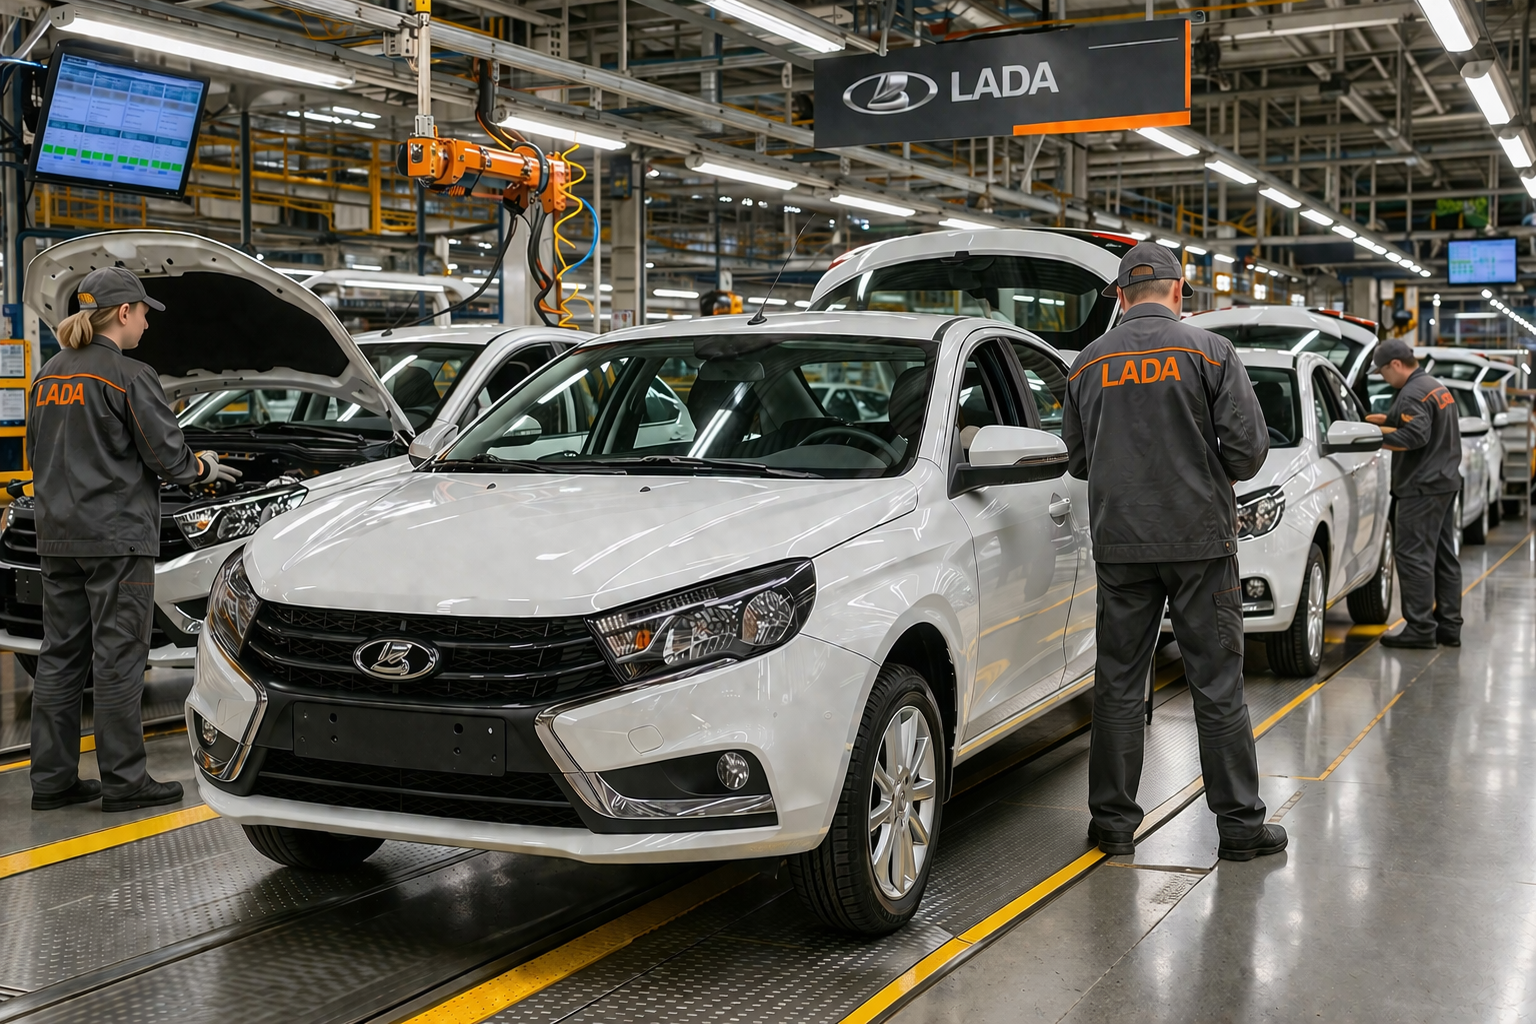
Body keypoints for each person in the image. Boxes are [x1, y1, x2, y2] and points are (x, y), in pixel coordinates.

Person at [1063, 242, 1286, 862]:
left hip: (1121, 544)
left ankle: (1112, 826)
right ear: (1177, 291)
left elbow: (1078, 460)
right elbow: (1249, 452)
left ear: (1120, 296)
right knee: (1216, 685)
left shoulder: (1086, 363)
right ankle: (1239, 827)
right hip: (1200, 544)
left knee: (1118, 684)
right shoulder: (1210, 351)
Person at [24, 267, 241, 812]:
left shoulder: (48, 374)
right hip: (117, 539)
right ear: (123, 312)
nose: (147, 322)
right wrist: (204, 466)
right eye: (144, 313)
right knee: (119, 658)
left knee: (60, 656)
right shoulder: (129, 374)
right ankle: (124, 782)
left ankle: (51, 781)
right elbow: (167, 456)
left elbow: (36, 452)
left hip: (57, 537)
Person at [1365, 339, 1462, 649]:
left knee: (1413, 556)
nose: (1383, 378)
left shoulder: (1411, 393)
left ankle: (1420, 629)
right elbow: (1425, 425)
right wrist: (1387, 421)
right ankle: (1449, 626)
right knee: (1443, 557)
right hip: (1444, 482)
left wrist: (1373, 438)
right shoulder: (1434, 387)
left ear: (1395, 364)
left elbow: (1416, 436)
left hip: (1421, 488)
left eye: (1382, 372)